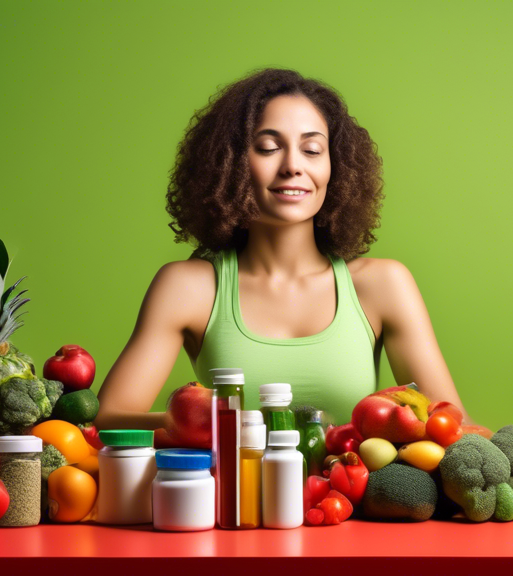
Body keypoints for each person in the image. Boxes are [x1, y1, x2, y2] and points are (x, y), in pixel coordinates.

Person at [95, 69, 470, 432]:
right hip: (231, 494)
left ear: (334, 168)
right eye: (269, 148)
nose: (293, 166)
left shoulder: (382, 284)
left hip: (346, 495)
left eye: (312, 149)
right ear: (231, 164)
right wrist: (191, 425)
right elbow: (110, 416)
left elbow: (452, 427)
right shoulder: (189, 287)